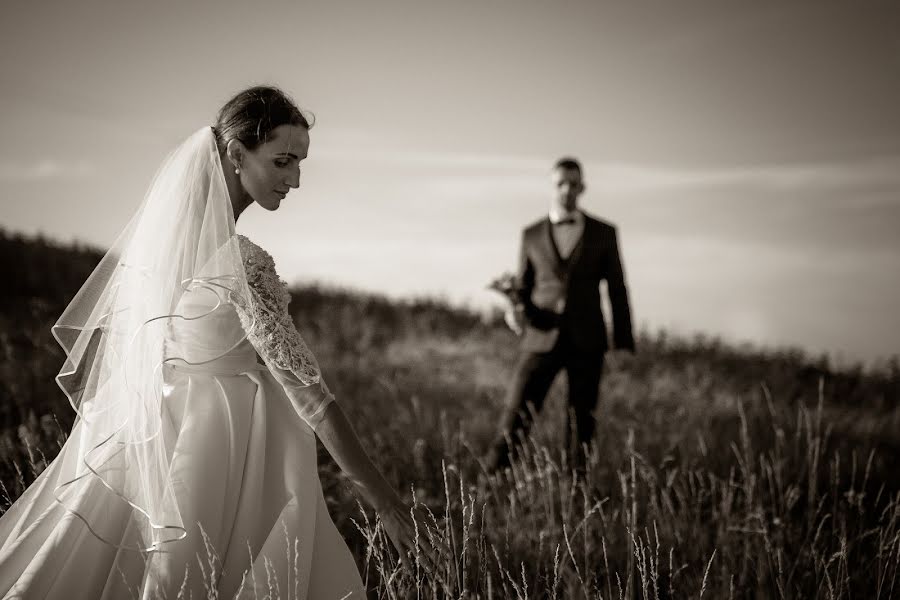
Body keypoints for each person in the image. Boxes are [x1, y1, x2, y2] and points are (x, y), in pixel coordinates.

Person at [0, 86, 431, 599]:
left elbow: (121, 349)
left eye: (300, 162)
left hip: (148, 436)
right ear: (234, 153)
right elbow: (311, 398)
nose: (295, 178)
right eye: (283, 160)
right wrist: (384, 501)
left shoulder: (156, 249)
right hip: (224, 449)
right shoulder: (243, 265)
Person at [488, 157, 635, 474]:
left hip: (588, 342)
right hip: (540, 338)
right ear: (552, 187)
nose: (567, 189)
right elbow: (524, 288)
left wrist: (622, 344)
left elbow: (618, 289)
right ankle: (486, 492)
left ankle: (576, 504)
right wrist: (515, 312)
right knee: (514, 418)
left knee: (581, 428)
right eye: (561, 183)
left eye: (573, 183)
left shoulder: (604, 233)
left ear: (583, 187)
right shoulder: (531, 235)